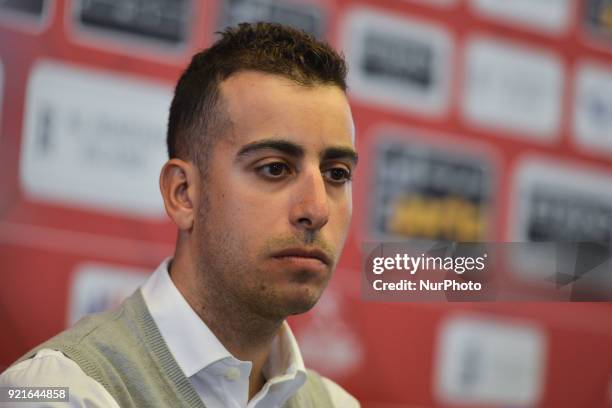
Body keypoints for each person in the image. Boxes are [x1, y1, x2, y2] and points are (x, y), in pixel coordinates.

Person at [0, 22, 359, 407]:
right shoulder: (55, 390)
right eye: (274, 168)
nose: (317, 209)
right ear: (183, 193)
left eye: (336, 174)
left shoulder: (336, 404)